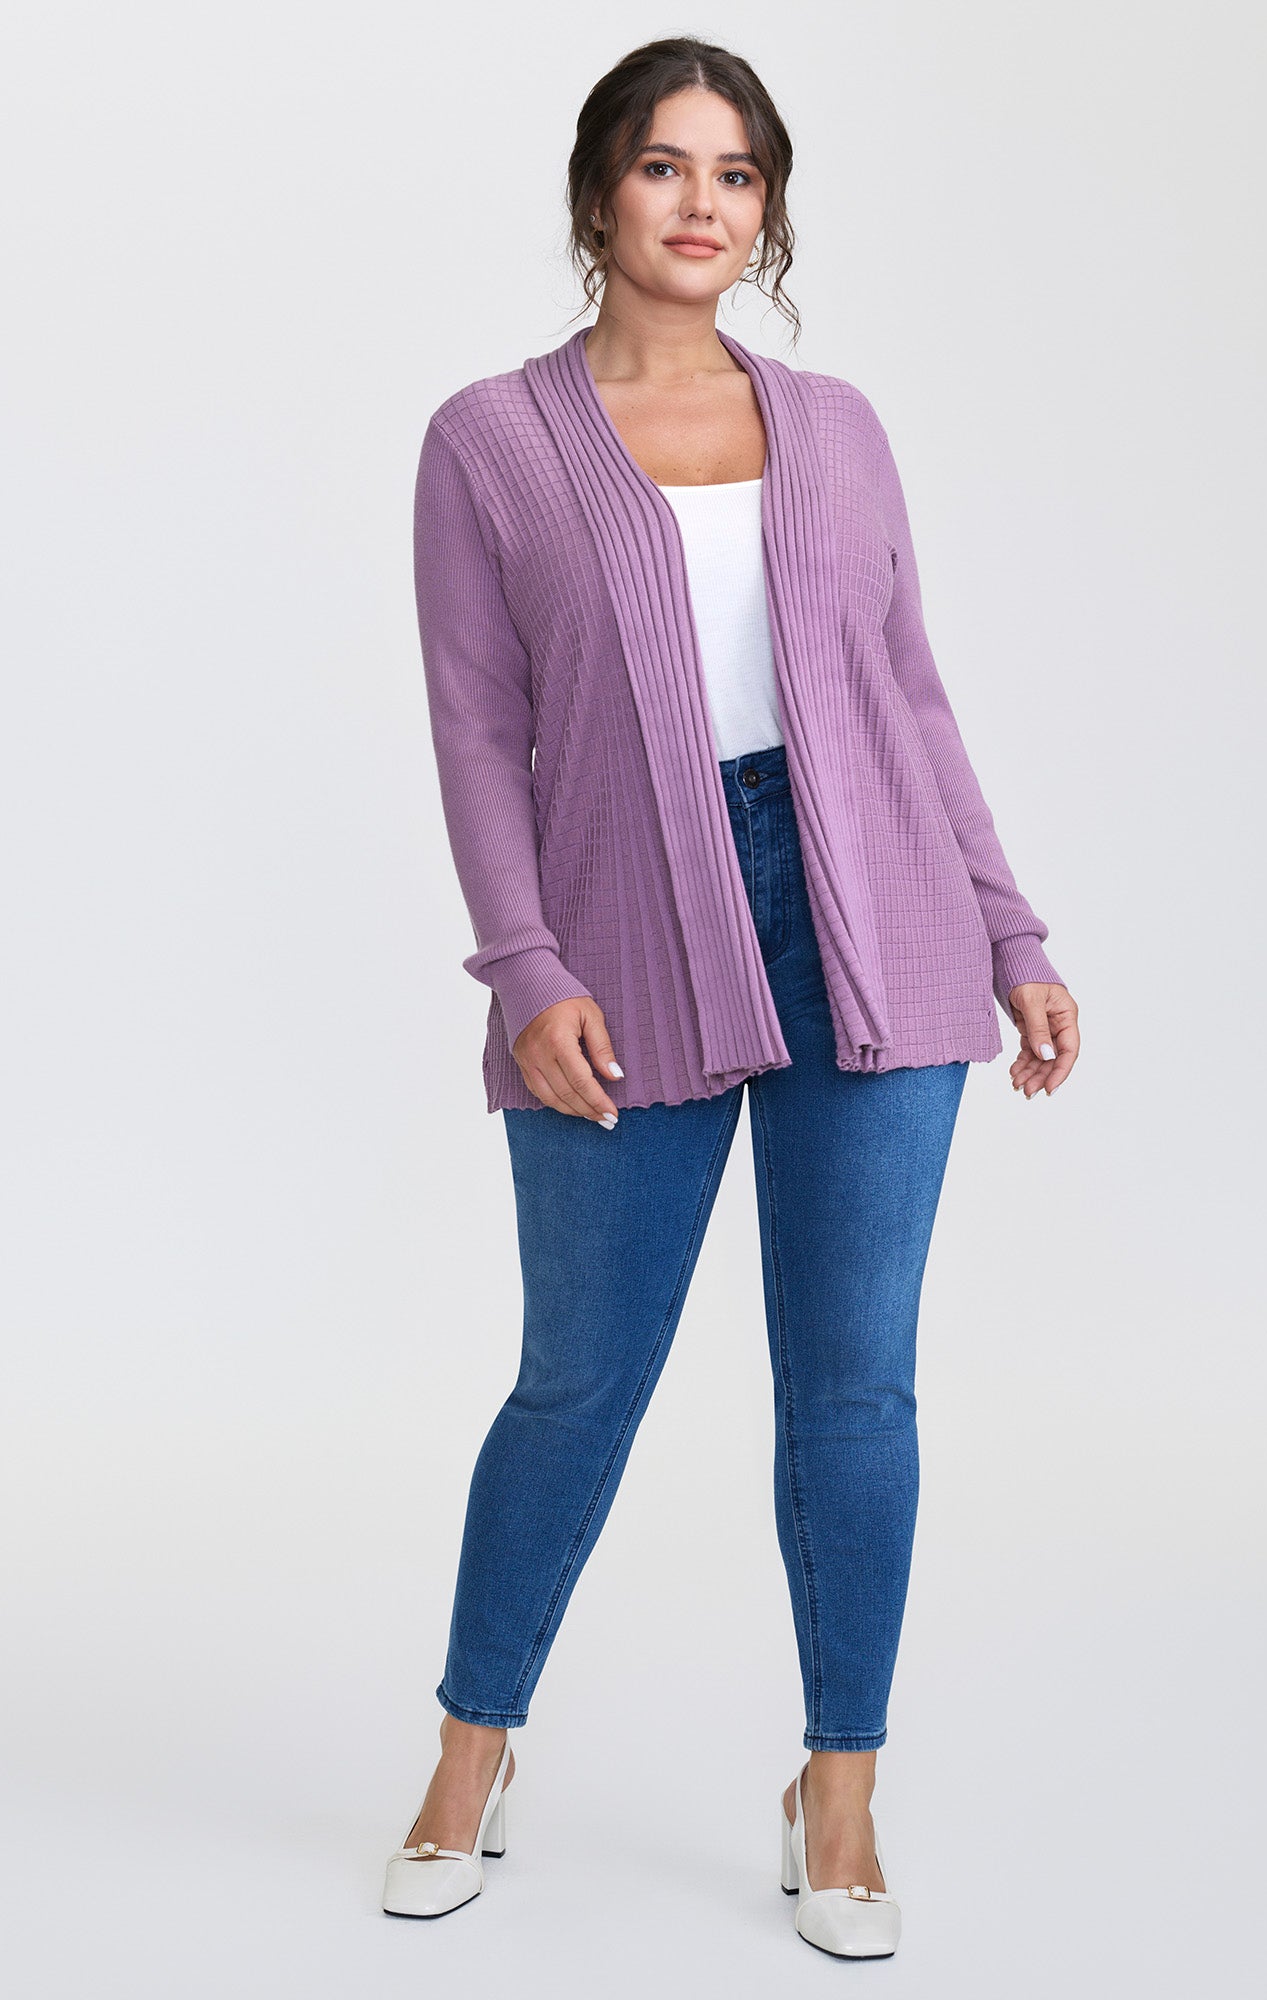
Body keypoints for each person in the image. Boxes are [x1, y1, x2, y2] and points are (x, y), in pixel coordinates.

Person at [383, 36, 1080, 1960]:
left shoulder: (838, 425)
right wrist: (526, 967)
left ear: (765, 209)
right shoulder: (490, 442)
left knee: (854, 1385)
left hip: (881, 920)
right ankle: (469, 1751)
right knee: (578, 1378)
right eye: (666, 165)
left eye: (739, 173)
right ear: (599, 190)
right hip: (621, 938)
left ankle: (837, 1792)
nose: (703, 203)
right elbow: (479, 731)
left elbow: (908, 693)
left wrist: (1011, 933)